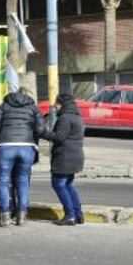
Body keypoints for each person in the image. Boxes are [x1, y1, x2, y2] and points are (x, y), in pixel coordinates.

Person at [0, 88, 45, 227]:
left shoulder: (4, 106)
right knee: (23, 181)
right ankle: (21, 216)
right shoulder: (33, 108)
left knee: (2, 181)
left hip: (5, 146)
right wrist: (32, 138)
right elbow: (41, 129)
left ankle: (5, 216)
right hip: (26, 146)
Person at [43, 94, 85, 226]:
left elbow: (59, 138)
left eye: (56, 103)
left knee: (59, 184)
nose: (55, 106)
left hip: (64, 157)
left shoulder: (65, 118)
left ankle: (70, 215)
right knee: (68, 185)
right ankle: (78, 215)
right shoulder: (77, 116)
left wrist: (42, 133)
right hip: (75, 155)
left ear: (62, 104)